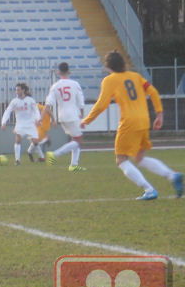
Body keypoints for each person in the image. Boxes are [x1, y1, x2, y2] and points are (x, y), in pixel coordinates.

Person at [81, 51, 183, 200]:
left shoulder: (109, 80)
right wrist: (159, 114)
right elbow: (153, 92)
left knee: (121, 160)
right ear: (123, 63)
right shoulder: (136, 77)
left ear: (107, 65)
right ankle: (172, 176)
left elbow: (102, 104)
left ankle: (149, 189)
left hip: (129, 122)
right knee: (139, 157)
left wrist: (86, 120)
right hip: (144, 120)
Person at [44, 62, 87, 171]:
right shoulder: (75, 84)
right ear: (69, 72)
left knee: (74, 139)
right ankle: (54, 154)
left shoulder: (55, 86)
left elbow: (48, 103)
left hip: (62, 116)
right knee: (78, 141)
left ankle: (73, 165)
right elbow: (81, 101)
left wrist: (41, 117)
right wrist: (82, 113)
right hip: (73, 115)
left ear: (58, 73)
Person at [0, 82, 43, 165]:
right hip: (20, 124)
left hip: (31, 124)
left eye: (18, 90)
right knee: (18, 140)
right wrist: (3, 122)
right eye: (16, 90)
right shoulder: (14, 101)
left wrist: (38, 119)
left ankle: (41, 157)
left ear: (23, 90)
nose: (17, 91)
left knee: (36, 142)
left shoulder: (30, 100)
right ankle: (17, 160)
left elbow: (36, 110)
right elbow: (7, 111)